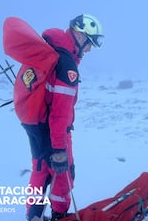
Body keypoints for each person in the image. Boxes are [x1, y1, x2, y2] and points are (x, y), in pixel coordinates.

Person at [19, 14, 104, 221]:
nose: (90, 49)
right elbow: (60, 114)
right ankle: (59, 215)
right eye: (89, 43)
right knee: (63, 173)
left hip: (34, 123)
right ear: (78, 35)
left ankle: (34, 215)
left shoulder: (51, 48)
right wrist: (59, 149)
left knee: (40, 169)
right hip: (53, 129)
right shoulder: (66, 66)